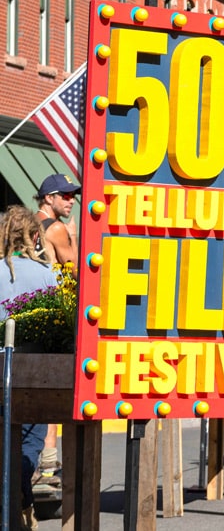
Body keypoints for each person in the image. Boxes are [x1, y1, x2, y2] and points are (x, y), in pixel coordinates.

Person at [0, 206, 56, 527]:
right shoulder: (45, 274)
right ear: (34, 237)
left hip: (1, 374)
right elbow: (53, 328)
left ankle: (22, 505)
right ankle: (21, 501)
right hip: (33, 376)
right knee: (28, 448)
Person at [34, 173, 78, 268]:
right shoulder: (56, 228)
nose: (72, 201)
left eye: (73, 196)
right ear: (49, 198)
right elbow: (75, 271)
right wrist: (73, 236)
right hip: (48, 283)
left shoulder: (29, 221)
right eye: (66, 196)